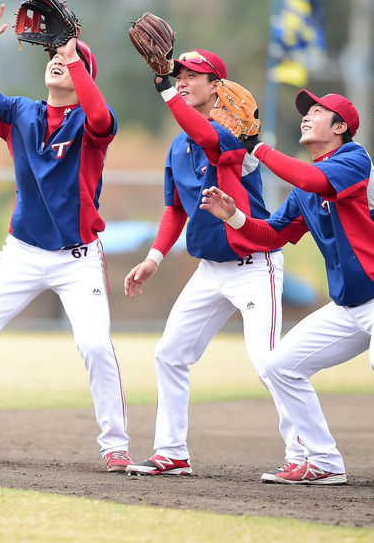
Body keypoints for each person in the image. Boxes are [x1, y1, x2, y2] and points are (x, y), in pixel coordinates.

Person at [200, 90, 374, 490]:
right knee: (278, 366)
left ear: (340, 128)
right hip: (350, 307)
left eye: (317, 112)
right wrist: (233, 215)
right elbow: (270, 236)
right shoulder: (304, 188)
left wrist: (256, 148)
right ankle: (323, 461)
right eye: (306, 111)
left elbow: (314, 178)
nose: (306, 116)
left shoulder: (354, 160)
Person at [0, 0, 131, 471]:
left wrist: (75, 56)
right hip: (21, 252)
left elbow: (100, 119)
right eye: (55, 55)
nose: (59, 59)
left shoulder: (92, 122)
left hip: (78, 258)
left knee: (96, 345)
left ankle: (115, 444)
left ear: (84, 77)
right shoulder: (20, 112)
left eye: (70, 58)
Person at [122, 50, 304, 479]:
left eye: (193, 76)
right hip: (210, 271)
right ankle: (172, 452)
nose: (183, 80)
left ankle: (304, 454)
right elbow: (174, 209)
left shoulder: (228, 136)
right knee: (169, 354)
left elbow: (202, 132)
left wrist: (165, 90)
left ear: (217, 87)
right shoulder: (178, 146)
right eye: (179, 75)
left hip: (256, 266)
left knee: (268, 362)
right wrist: (154, 258)